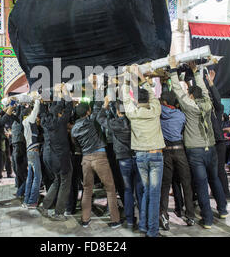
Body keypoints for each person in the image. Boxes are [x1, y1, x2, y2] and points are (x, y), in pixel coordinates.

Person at [169, 56, 228, 229]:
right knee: (214, 179)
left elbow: (178, 91)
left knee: (201, 184)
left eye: (189, 93)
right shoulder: (207, 104)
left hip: (195, 151)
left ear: (191, 95)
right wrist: (195, 73)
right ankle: (223, 209)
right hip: (211, 148)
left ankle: (208, 219)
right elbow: (202, 89)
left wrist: (173, 70)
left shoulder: (189, 106)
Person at [122, 65, 165, 237]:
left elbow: (125, 97)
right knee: (153, 194)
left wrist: (127, 79)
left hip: (140, 156)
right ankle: (152, 231)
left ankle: (143, 226)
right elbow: (152, 95)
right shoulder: (155, 110)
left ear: (136, 101)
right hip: (155, 155)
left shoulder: (132, 112)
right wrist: (141, 77)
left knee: (146, 191)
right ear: (148, 99)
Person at [71, 96, 121, 229]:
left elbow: (76, 145)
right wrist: (102, 98)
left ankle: (85, 220)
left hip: (86, 159)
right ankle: (115, 220)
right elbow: (98, 108)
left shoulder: (74, 129)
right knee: (110, 188)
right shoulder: (92, 120)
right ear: (88, 112)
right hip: (100, 157)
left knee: (87, 189)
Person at [97, 96, 142, 230]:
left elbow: (100, 119)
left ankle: (129, 220)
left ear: (117, 112)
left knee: (127, 190)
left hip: (123, 159)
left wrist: (104, 105)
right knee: (139, 191)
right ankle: (143, 220)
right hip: (136, 156)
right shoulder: (134, 121)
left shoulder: (115, 124)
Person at [158, 90, 195, 229]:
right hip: (180, 150)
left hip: (166, 151)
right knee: (186, 183)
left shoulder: (159, 113)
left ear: (164, 102)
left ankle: (164, 215)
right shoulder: (181, 115)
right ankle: (190, 215)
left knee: (165, 185)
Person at [40, 84, 73, 220]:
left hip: (48, 156)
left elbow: (43, 111)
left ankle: (45, 206)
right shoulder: (60, 122)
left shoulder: (44, 121)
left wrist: (52, 97)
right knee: (65, 182)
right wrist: (64, 92)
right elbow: (69, 107)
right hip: (61, 157)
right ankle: (59, 212)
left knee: (56, 180)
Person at [205, 69, 230, 200]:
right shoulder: (204, 111)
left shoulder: (218, 110)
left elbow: (216, 98)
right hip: (210, 142)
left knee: (220, 170)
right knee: (211, 170)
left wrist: (211, 83)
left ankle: (225, 194)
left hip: (219, 142)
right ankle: (215, 191)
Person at [22, 94, 43, 209]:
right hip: (33, 152)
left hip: (30, 152)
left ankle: (27, 200)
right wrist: (37, 100)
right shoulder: (29, 121)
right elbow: (35, 111)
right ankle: (32, 201)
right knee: (37, 177)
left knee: (30, 177)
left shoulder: (26, 123)